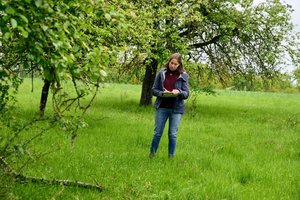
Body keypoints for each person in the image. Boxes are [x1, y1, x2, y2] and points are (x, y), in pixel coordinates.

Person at [149, 53, 189, 158]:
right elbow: (153, 90)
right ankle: (152, 155)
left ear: (179, 64)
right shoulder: (162, 73)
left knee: (172, 134)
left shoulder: (184, 75)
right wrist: (162, 93)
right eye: (171, 63)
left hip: (176, 109)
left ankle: (171, 157)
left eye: (175, 64)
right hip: (162, 107)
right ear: (169, 62)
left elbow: (186, 94)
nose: (173, 66)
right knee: (157, 133)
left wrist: (179, 92)